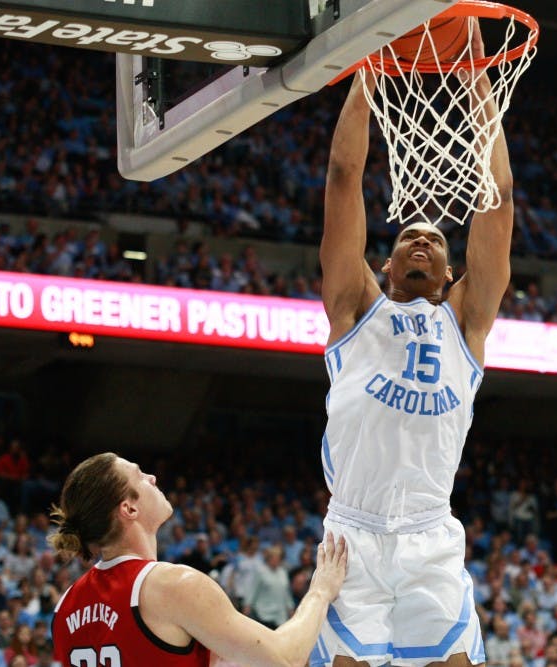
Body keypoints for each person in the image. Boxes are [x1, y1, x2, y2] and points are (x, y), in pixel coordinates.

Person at [315, 21, 513, 667]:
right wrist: (365, 73)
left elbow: (499, 198)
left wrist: (478, 79)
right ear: (386, 265)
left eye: (435, 239)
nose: (422, 240)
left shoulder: (468, 321)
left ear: (452, 273)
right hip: (354, 531)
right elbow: (346, 174)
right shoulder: (354, 307)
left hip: (431, 532)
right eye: (407, 238)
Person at [48, 452, 347, 666]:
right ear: (129, 509)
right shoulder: (172, 585)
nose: (152, 478)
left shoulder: (64, 609)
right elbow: (286, 658)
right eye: (140, 476)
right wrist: (321, 591)